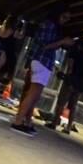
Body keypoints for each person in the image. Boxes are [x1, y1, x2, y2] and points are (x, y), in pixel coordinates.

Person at [10, 8, 73, 136]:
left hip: (41, 61)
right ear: (57, 15)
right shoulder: (49, 25)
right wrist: (62, 42)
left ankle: (26, 122)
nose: (65, 21)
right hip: (42, 61)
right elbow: (45, 45)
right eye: (64, 17)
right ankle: (18, 122)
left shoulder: (50, 25)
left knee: (34, 95)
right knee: (33, 94)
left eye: (68, 18)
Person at [44, 37, 83, 133]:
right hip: (79, 84)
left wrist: (67, 77)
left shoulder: (74, 53)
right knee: (73, 106)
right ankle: (69, 127)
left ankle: (54, 122)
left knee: (61, 102)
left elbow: (70, 67)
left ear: (78, 45)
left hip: (71, 80)